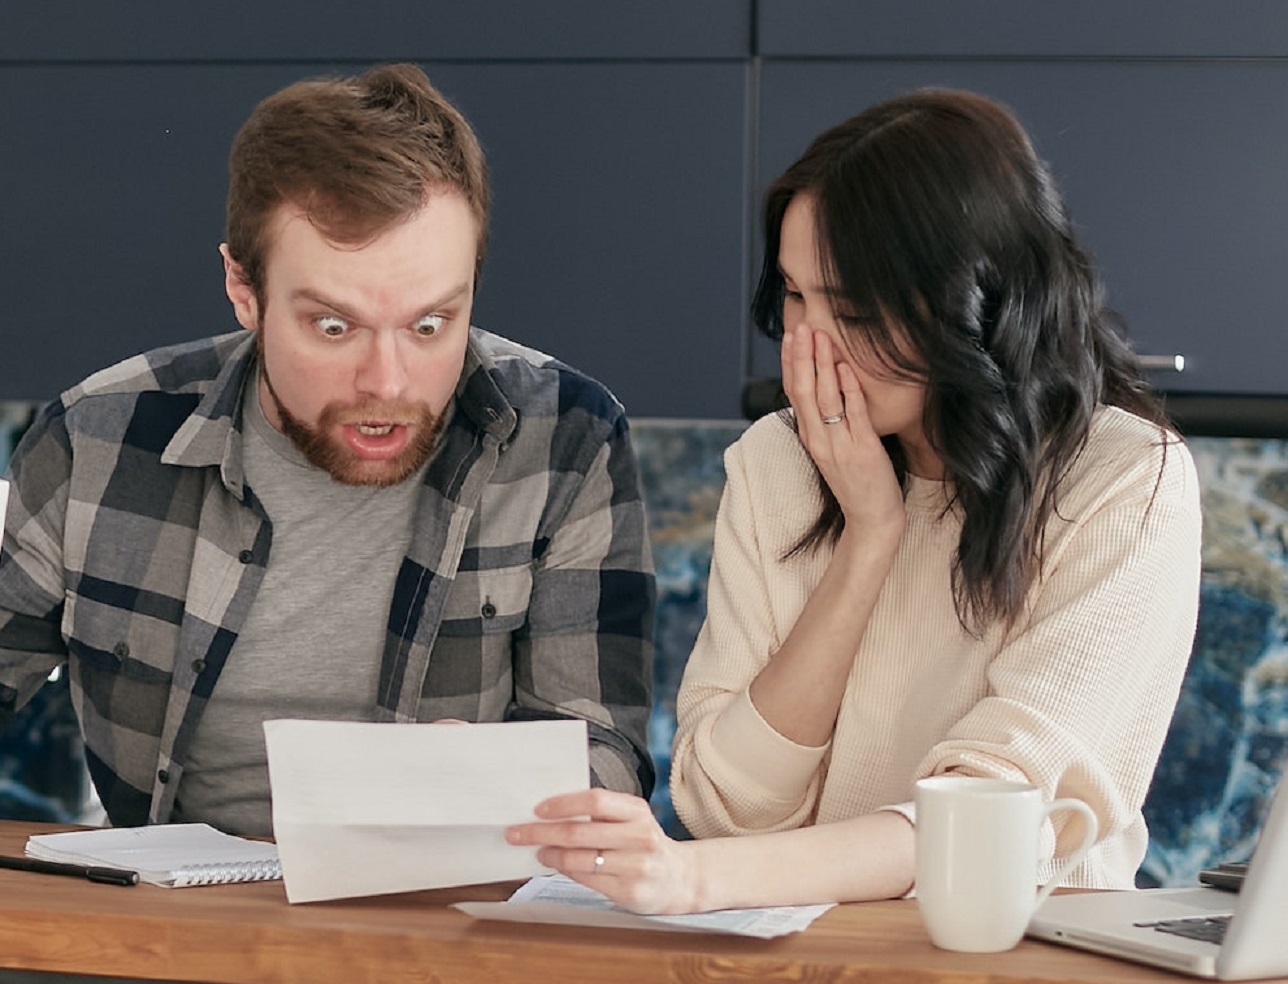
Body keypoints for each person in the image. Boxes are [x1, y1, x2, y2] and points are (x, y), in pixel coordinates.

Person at [506, 88, 1202, 914]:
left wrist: (691, 878)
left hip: (1028, 959)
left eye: (857, 311)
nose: (812, 346)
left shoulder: (1125, 481)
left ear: (977, 301)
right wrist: (870, 534)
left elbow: (992, 817)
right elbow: (725, 807)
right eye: (796, 298)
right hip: (813, 959)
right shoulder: (777, 465)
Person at [0, 63, 655, 837]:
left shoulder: (567, 438)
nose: (387, 381)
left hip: (454, 930)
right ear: (244, 290)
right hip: (170, 931)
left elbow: (605, 758)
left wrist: (488, 778)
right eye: (334, 327)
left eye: (430, 325)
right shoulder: (96, 439)